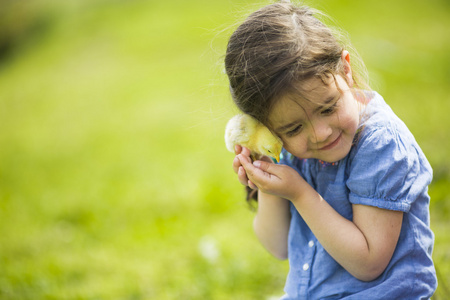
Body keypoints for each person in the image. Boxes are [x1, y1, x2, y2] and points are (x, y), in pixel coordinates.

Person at [224, 1, 437, 299]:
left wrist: (300, 193)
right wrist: (269, 186)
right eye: (294, 128)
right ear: (268, 128)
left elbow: (369, 263)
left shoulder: (380, 143)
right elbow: (278, 246)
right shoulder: (285, 148)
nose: (320, 133)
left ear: (345, 69)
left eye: (328, 107)